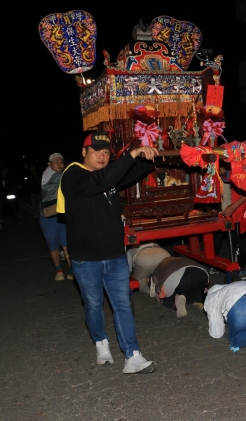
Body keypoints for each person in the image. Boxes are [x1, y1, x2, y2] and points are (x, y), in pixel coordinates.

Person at [58, 132, 159, 374]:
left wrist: (151, 155)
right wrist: (131, 155)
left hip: (115, 256)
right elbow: (100, 181)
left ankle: (132, 355)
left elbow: (131, 172)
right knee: (93, 304)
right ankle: (101, 342)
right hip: (86, 260)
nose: (102, 156)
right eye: (96, 151)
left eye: (106, 152)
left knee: (123, 304)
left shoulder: (109, 176)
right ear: (84, 153)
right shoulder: (73, 175)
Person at [40, 153, 73, 281]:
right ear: (49, 164)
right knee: (52, 244)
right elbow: (67, 179)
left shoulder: (62, 174)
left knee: (66, 243)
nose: (60, 164)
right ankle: (59, 270)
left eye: (61, 162)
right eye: (56, 162)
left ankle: (72, 270)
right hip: (48, 216)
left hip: (62, 214)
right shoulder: (49, 174)